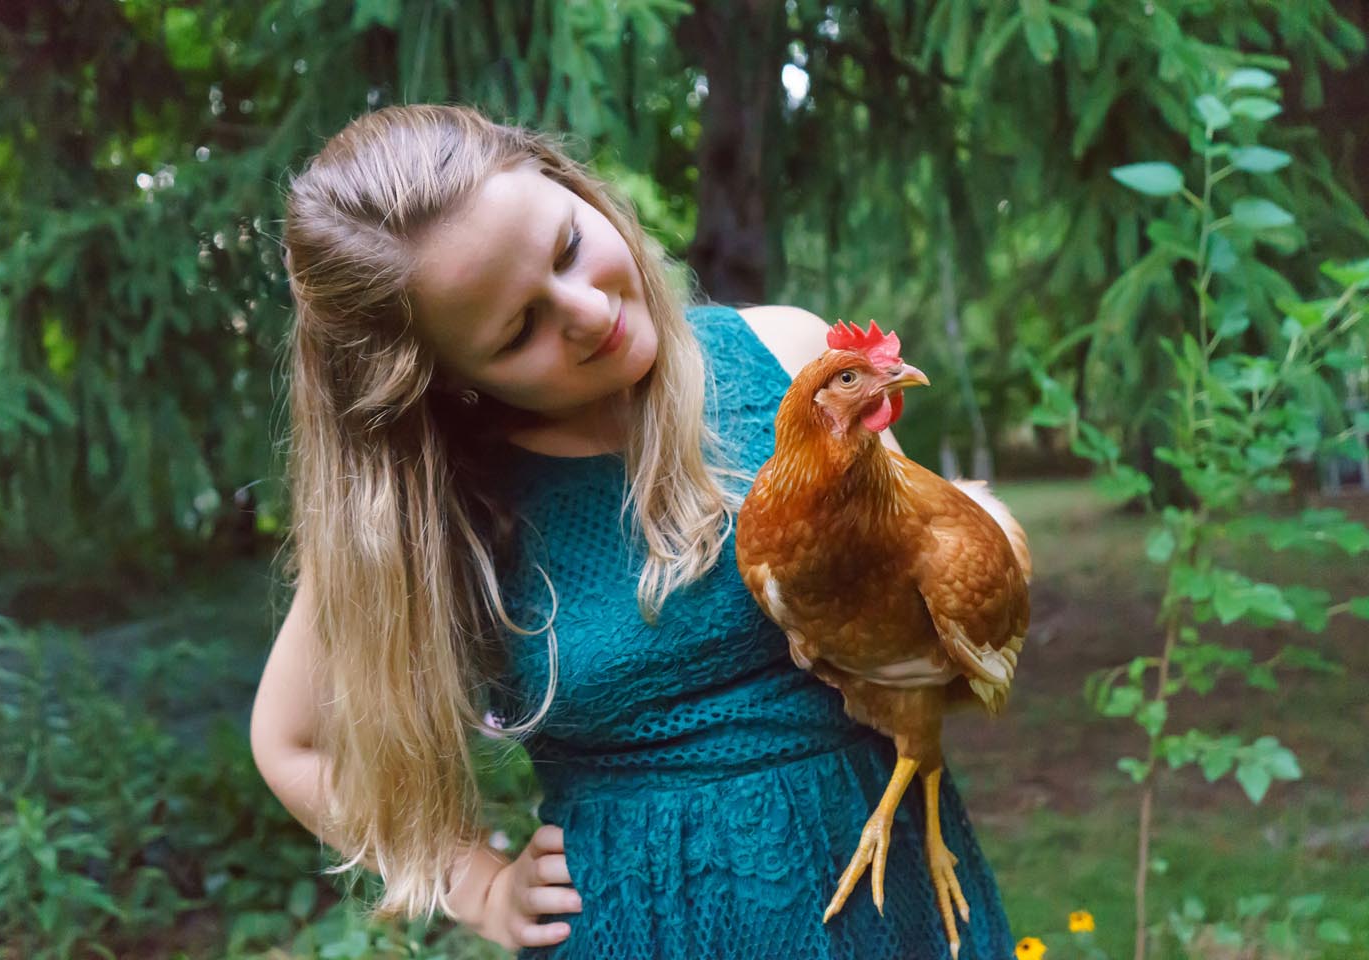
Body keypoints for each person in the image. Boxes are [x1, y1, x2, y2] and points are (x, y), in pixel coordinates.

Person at [250, 103, 1015, 959]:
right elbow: (291, 742)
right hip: (634, 928)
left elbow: (927, 607)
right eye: (518, 332)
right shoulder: (439, 512)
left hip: (891, 906)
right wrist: (478, 884)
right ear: (447, 381)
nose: (586, 312)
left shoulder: (791, 361)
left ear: (577, 189)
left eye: (569, 248)